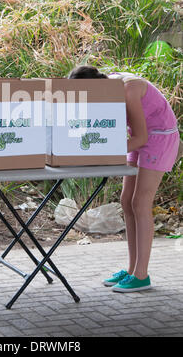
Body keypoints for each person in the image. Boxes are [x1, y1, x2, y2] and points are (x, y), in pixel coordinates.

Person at [68, 65, 180, 292]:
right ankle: (131, 270)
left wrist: (104, 152)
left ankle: (142, 275)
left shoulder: (128, 90)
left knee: (141, 203)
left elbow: (141, 137)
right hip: (140, 137)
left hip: (158, 138)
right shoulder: (109, 85)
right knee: (126, 200)